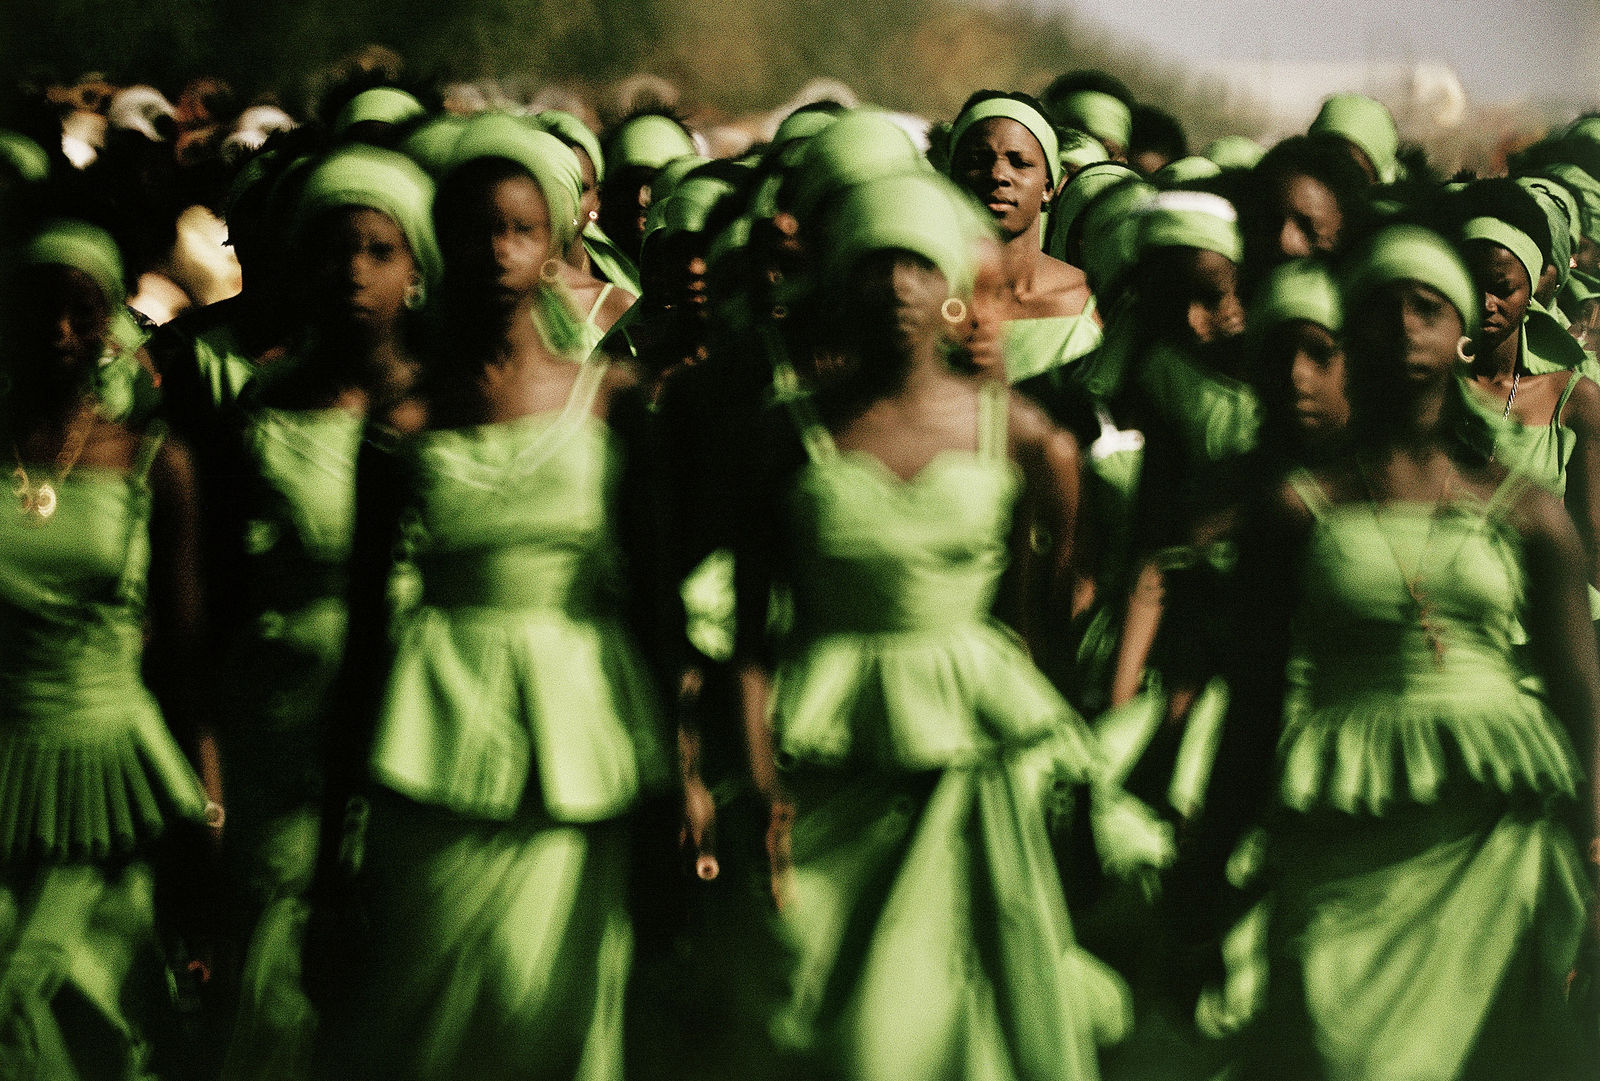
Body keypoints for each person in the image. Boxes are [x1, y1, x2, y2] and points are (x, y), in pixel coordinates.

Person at [732, 168, 1107, 1081]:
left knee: (946, 1018)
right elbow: (748, 631)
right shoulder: (789, 435)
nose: (898, 288)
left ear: (950, 286)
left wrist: (1058, 762)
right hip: (827, 761)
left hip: (966, 771)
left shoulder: (1023, 437)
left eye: (917, 265)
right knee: (825, 1014)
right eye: (873, 265)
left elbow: (1038, 625)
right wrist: (752, 782)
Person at [322, 112, 670, 1081]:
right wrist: (333, 842)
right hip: (432, 741)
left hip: (581, 737)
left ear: (554, 243)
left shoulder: (615, 401)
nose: (496, 252)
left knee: (548, 1002)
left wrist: (674, 767)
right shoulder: (404, 422)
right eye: (474, 230)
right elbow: (363, 636)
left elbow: (654, 597)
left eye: (518, 229)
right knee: (424, 1018)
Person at [1236, 224, 1598, 1080]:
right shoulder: (1298, 508)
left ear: (1462, 332)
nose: (1403, 326)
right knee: (1338, 1042)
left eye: (1426, 307)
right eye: (1380, 310)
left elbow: (1580, 688)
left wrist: (1593, 842)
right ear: (1346, 338)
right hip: (1349, 826)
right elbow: (1252, 697)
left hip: (1489, 835)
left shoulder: (1523, 510)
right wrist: (1217, 852)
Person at [211, 144, 439, 1081]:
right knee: (282, 1000)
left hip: (421, 722)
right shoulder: (259, 411)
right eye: (334, 250)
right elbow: (218, 605)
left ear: (417, 269)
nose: (354, 271)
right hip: (288, 729)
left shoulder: (447, 411)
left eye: (379, 249)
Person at [0, 219, 220, 1077]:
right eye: (34, 309)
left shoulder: (153, 463)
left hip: (113, 776)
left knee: (95, 1001)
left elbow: (184, 650)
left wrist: (207, 791)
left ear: (106, 325)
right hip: (5, 750)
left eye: (79, 310)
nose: (57, 330)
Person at [1455, 180, 1600, 598]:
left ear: (1532, 287)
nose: (1486, 303)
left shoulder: (1574, 400)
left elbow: (1593, 545)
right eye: (1472, 284)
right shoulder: (1432, 390)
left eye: (1503, 289)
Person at [946, 91, 1098, 384]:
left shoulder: (1090, 306)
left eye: (1020, 162)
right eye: (978, 160)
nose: (998, 174)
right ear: (952, 178)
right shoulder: (924, 294)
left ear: (1048, 186)